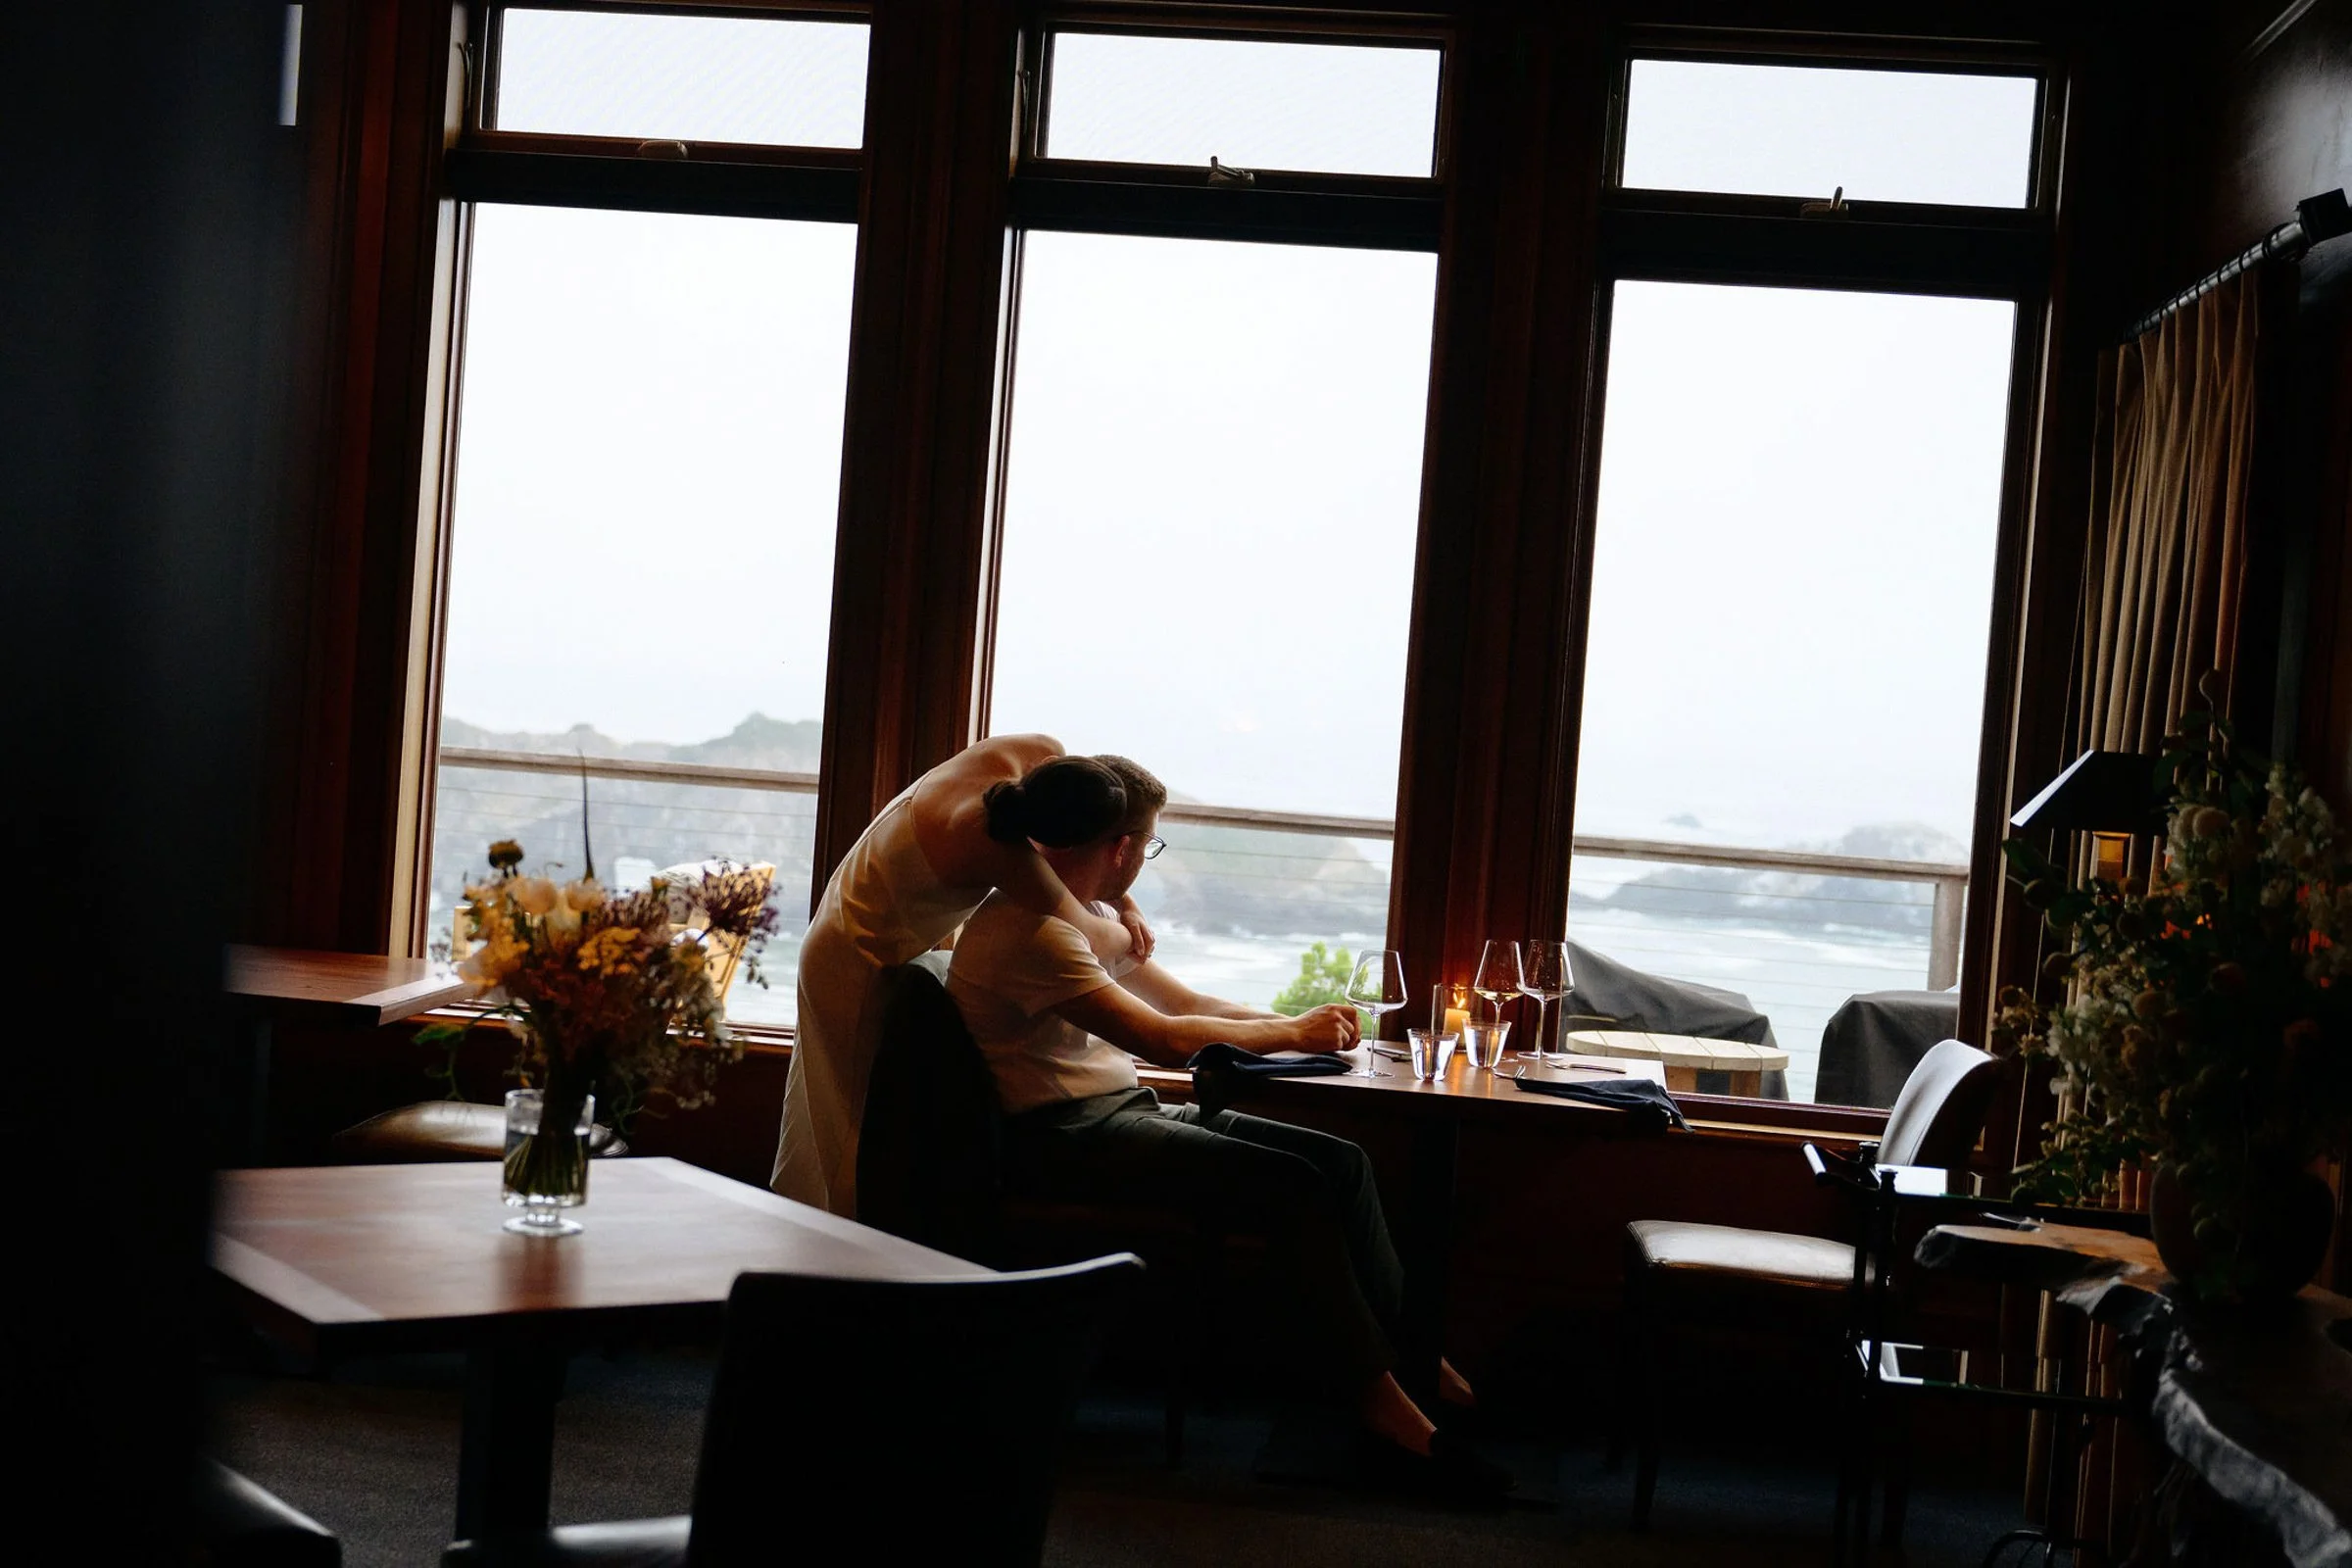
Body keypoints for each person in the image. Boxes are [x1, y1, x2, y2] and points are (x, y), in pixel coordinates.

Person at [945, 755, 1506, 1499]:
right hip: (1059, 1136)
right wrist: (1294, 1034)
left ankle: (1414, 1357)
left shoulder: (1087, 916)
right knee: (1292, 1185)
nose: (1145, 861)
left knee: (1341, 1162)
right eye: (1150, 845)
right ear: (1120, 848)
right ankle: (1380, 1402)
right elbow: (1162, 1038)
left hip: (1114, 1110)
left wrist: (1300, 1026)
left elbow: (1186, 1002)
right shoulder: (1033, 934)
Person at [771, 737, 1155, 1216]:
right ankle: (844, 1236)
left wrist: (1125, 900)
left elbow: (1087, 861)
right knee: (850, 1123)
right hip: (858, 956)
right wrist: (1132, 932)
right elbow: (1090, 933)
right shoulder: (992, 843)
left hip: (855, 925)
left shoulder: (1035, 753)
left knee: (843, 1112)